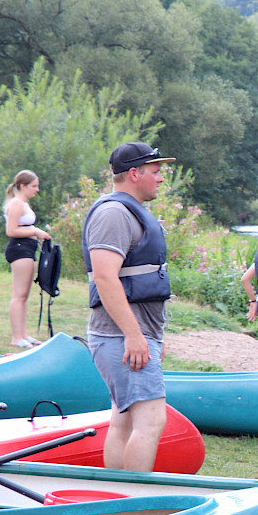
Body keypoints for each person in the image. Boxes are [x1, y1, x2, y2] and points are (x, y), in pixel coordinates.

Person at [81, 143, 175, 471]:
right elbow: (105, 278)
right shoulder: (114, 214)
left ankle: (116, 501)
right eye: (156, 171)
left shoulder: (128, 211)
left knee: (124, 420)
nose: (161, 179)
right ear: (134, 174)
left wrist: (149, 335)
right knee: (150, 421)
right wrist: (135, 336)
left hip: (132, 335)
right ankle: (133, 504)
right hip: (122, 337)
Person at [4, 170, 51, 348]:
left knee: (24, 295)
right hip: (19, 249)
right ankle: (17, 337)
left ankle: (23, 334)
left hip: (28, 249)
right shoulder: (17, 204)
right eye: (33, 186)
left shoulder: (23, 203)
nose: (37, 190)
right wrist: (35, 231)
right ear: (22, 186)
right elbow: (11, 231)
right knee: (19, 295)